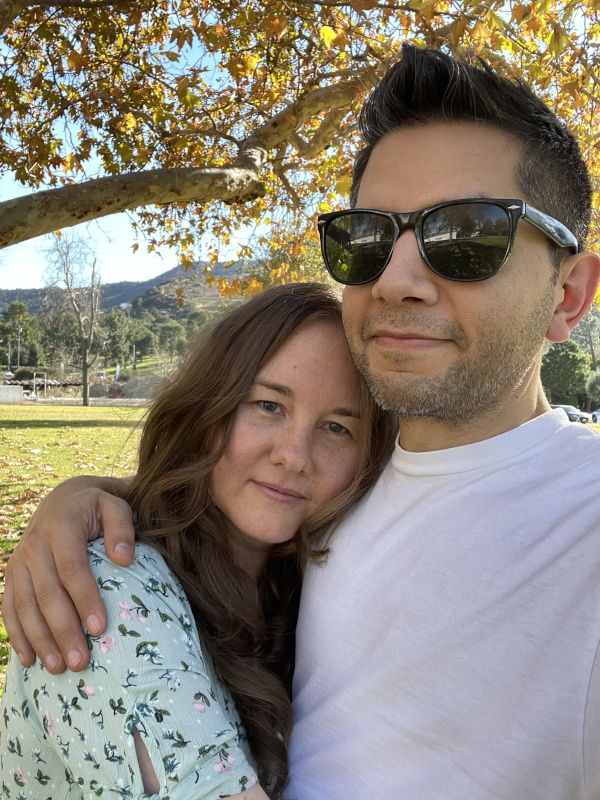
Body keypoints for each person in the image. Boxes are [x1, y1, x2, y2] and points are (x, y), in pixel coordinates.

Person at [3, 43, 600, 800]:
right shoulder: (346, 487)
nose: (397, 281)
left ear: (569, 296)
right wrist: (95, 500)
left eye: (467, 235)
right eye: (368, 237)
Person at [0, 282, 396, 799]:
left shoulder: (303, 587)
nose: (294, 456)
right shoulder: (113, 591)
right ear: (207, 411)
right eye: (268, 405)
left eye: (337, 428)